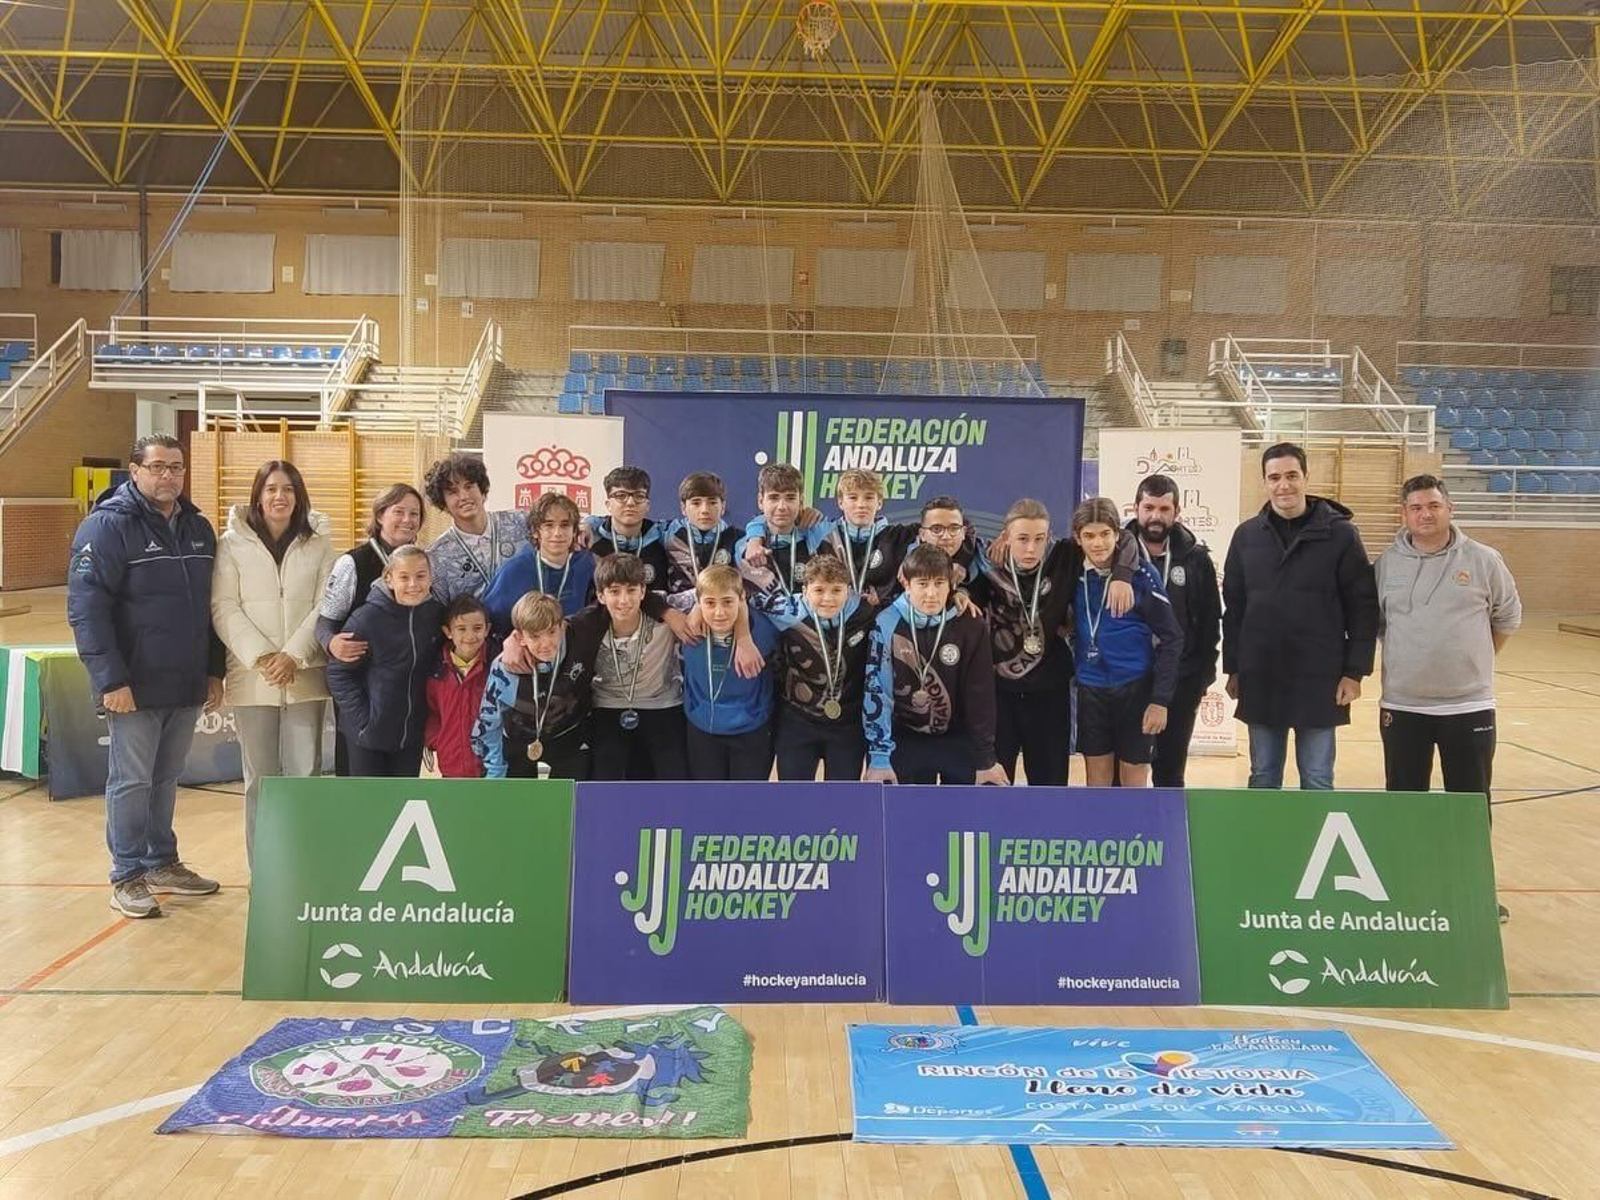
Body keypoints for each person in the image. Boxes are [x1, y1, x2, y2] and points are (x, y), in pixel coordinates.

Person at [67, 435, 224, 919]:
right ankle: (128, 874)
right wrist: (110, 680)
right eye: (157, 467)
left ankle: (161, 862)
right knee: (131, 780)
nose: (168, 476)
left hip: (184, 682)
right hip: (131, 685)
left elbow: (209, 609)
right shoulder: (106, 528)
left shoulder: (199, 528)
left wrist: (213, 670)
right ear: (134, 471)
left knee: (165, 778)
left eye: (176, 467)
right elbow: (87, 610)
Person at [1376, 475, 1521, 919]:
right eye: (1416, 507)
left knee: (1470, 805)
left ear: (1450, 509)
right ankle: (1407, 887)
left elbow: (1507, 617)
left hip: (1468, 707)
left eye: (1434, 505)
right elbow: (1380, 625)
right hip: (1403, 707)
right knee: (1405, 803)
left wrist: (1468, 667)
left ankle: (1474, 891)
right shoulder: (1386, 565)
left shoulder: (1483, 560)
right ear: (1404, 514)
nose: (1426, 514)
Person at [1223, 443, 1378, 790]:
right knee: (1263, 777)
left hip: (1320, 679)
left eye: (1292, 475)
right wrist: (1233, 667)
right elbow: (1234, 609)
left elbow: (1363, 608)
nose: (1284, 485)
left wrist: (1354, 672)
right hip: (1261, 676)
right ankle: (1264, 846)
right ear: (1264, 482)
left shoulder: (1341, 535)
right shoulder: (1246, 536)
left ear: (1306, 477)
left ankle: (1315, 846)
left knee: (1318, 778)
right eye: (1274, 477)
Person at [210, 460, 337, 866]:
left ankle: (305, 868)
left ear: (299, 496)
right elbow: (223, 606)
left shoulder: (320, 544)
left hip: (305, 677)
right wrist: (264, 657)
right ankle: (263, 871)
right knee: (258, 782)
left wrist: (293, 655)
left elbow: (326, 606)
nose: (279, 497)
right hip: (253, 678)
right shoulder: (230, 544)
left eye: (288, 489)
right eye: (271, 489)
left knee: (307, 776)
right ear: (258, 496)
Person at [969, 498, 1136, 786]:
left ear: (1050, 537)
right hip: (1000, 693)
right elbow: (956, 539)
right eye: (1022, 539)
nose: (1031, 548)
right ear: (1006, 537)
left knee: (1050, 783)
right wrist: (960, 591)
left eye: (1039, 538)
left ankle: (1046, 832)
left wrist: (1123, 575)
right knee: (993, 784)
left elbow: (1127, 536)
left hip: (1049, 691)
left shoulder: (1064, 556)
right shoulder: (987, 563)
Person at [863, 546, 1007, 786]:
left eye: (939, 583)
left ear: (951, 585)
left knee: (965, 818)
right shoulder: (886, 622)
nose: (931, 593)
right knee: (907, 819)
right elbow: (878, 692)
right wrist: (879, 758)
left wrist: (985, 758)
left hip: (958, 738)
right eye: (922, 584)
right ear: (907, 584)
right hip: (904, 739)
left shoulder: (970, 624)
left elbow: (979, 695)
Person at [1070, 498, 1184, 788]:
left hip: (1135, 688)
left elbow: (1172, 638)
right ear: (1077, 538)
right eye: (1089, 536)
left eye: (1105, 534)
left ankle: (1136, 834)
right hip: (1091, 688)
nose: (1098, 544)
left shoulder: (1142, 575)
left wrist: (1160, 700)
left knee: (1134, 780)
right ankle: (1100, 834)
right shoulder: (1071, 572)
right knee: (1097, 781)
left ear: (1117, 534)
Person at [315, 483, 424, 776]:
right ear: (379, 516)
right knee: (360, 795)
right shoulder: (352, 563)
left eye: (414, 513)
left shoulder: (421, 565)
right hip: (362, 699)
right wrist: (331, 643)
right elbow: (325, 621)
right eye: (398, 511)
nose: (407, 519)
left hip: (403, 706)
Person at [1126, 474, 1221, 787]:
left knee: (1170, 772)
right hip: (1128, 680)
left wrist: (1200, 680)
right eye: (1149, 507)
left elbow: (1209, 625)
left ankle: (1168, 835)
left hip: (1180, 683)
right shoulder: (1115, 554)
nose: (1155, 516)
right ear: (1135, 508)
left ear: (1176, 512)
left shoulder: (1196, 560)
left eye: (1164, 508)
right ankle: (1123, 835)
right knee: (1125, 773)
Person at [750, 553, 877, 780]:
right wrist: (741, 637)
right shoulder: (786, 610)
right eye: (819, 590)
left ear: (849, 590)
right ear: (805, 589)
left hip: (847, 723)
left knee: (842, 802)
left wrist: (960, 595)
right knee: (795, 801)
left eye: (837, 590)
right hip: (797, 721)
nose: (828, 598)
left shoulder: (866, 613)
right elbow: (742, 599)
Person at [325, 546, 444, 777]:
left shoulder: (435, 615)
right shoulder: (366, 619)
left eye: (420, 576)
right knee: (369, 808)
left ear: (430, 577)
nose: (413, 584)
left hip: (410, 736)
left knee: (402, 804)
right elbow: (338, 674)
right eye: (404, 577)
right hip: (367, 736)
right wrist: (363, 721)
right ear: (388, 579)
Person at [589, 552, 690, 779]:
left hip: (663, 705)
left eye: (632, 590)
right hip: (608, 707)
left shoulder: (667, 609)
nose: (624, 600)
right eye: (614, 592)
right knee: (604, 782)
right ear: (600, 595)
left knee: (675, 780)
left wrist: (667, 611)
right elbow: (553, 628)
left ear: (644, 591)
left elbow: (717, 590)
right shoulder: (587, 624)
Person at [683, 565, 779, 780]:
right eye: (709, 603)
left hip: (752, 730)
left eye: (728, 602)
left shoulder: (765, 630)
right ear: (698, 603)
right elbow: (651, 601)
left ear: (742, 599)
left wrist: (744, 636)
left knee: (747, 805)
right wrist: (696, 609)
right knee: (709, 804)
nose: (719, 612)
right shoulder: (685, 628)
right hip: (702, 729)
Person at [482, 492, 596, 632]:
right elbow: (491, 621)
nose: (557, 533)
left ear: (574, 531)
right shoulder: (514, 571)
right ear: (536, 531)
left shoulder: (585, 565)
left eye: (565, 525)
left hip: (573, 649)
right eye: (549, 525)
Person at [423, 452, 528, 602]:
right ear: (443, 503)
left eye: (469, 486)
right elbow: (441, 610)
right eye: (453, 492)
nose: (464, 496)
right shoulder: (437, 556)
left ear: (483, 491)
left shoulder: (521, 522)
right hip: (476, 625)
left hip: (531, 623)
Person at [424, 595, 497, 779]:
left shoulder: (497, 667)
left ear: (487, 629)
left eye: (477, 628)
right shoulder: (435, 671)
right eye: (461, 629)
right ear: (448, 631)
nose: (470, 636)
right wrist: (437, 741)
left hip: (492, 766)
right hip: (451, 764)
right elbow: (430, 711)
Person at [583, 466, 671, 590]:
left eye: (639, 496)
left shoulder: (663, 538)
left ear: (647, 505)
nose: (630, 502)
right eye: (620, 495)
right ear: (608, 504)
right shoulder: (591, 539)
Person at [663, 471, 740, 603]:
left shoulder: (737, 538)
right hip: (678, 612)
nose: (704, 510)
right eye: (696, 503)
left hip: (718, 610)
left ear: (723, 507)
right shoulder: (666, 533)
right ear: (683, 508)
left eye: (712, 502)